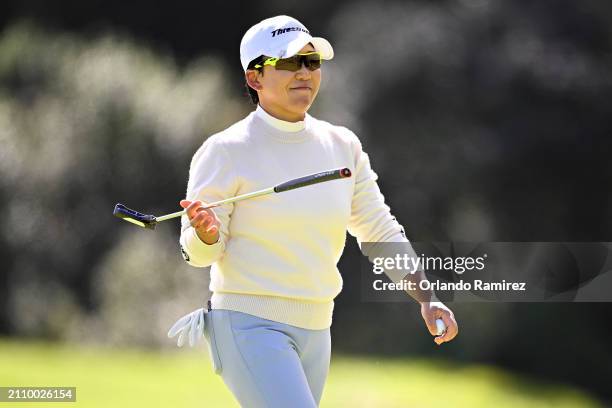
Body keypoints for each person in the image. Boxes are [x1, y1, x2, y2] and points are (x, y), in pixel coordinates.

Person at [169, 15, 458, 408]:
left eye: (312, 62)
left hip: (317, 328)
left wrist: (426, 296)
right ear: (255, 79)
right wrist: (204, 234)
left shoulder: (342, 145)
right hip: (248, 326)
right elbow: (200, 254)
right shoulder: (225, 150)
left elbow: (378, 228)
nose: (304, 73)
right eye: (289, 63)